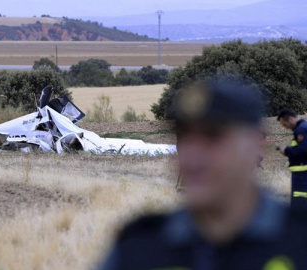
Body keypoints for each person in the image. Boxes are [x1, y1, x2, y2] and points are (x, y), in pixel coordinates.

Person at [98, 78, 307, 270]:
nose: (194, 157)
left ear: (255, 147)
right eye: (185, 138)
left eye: (213, 137)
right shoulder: (140, 248)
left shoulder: (298, 240)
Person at [277, 109, 307, 209]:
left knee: (300, 201)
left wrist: (286, 150)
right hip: (301, 173)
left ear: (290, 119)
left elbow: (303, 150)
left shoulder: (301, 130)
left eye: (285, 125)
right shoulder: (303, 128)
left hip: (302, 174)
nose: (286, 128)